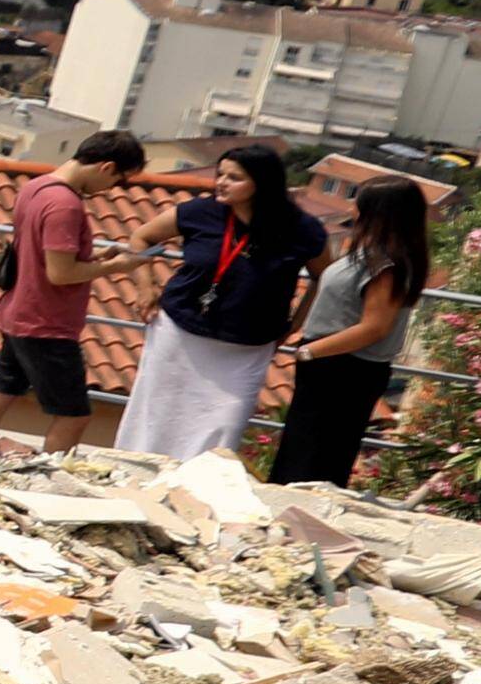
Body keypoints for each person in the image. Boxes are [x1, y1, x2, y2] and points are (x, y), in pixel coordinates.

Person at [111, 142, 328, 461]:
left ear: (262, 183)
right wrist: (146, 286)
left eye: (234, 177)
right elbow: (140, 238)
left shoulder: (302, 229)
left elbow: (324, 276)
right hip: (179, 331)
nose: (221, 183)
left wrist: (297, 323)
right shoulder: (199, 211)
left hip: (247, 345)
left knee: (226, 422)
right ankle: (135, 470)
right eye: (220, 174)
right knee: (156, 412)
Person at [0, 128, 150, 454]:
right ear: (106, 167)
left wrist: (92, 260)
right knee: (73, 414)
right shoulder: (66, 205)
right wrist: (116, 267)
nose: (114, 189)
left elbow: (42, 255)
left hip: (19, 311)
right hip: (46, 323)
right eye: (119, 180)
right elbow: (60, 274)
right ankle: (48, 480)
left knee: (0, 392)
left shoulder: (36, 187)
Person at [267, 177, 434, 487]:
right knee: (302, 451)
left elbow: (374, 328)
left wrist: (311, 350)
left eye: (361, 202)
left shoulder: (387, 265)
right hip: (332, 365)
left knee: (316, 459)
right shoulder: (371, 254)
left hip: (345, 369)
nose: (352, 208)